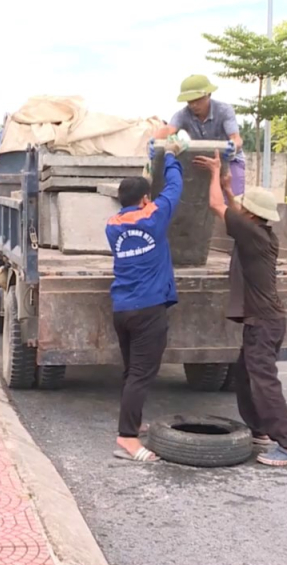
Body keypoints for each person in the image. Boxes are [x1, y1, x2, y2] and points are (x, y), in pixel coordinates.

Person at [193, 150, 287, 466]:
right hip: (266, 319)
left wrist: (215, 174)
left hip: (264, 322)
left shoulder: (251, 233)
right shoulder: (260, 232)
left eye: (243, 204)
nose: (238, 206)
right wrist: (231, 190)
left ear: (251, 214)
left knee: (263, 381)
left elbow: (217, 207)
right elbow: (233, 208)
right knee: (245, 376)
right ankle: (260, 430)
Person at [104, 136, 187, 462]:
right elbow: (175, 188)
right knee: (141, 374)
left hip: (123, 309)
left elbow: (149, 204)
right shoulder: (153, 217)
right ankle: (126, 439)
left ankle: (133, 425)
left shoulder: (112, 224)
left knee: (132, 372)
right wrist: (169, 157)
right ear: (145, 198)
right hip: (149, 311)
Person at [154, 75, 246, 198]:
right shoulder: (182, 115)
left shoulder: (224, 110)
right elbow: (168, 130)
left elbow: (236, 138)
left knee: (233, 200)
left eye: (198, 100)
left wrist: (233, 147)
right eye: (190, 101)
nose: (194, 105)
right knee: (201, 203)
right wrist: (153, 142)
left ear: (209, 95)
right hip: (203, 162)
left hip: (229, 160)